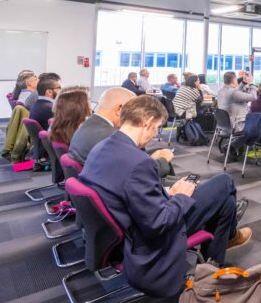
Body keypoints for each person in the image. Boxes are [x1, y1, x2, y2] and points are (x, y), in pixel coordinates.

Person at [78, 96, 252, 298]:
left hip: (126, 229)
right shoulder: (139, 163)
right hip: (152, 239)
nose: (155, 134)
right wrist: (181, 196)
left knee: (225, 202)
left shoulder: (102, 147)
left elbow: (130, 193)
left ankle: (215, 260)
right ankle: (220, 252)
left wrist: (168, 192)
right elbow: (159, 223)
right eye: (157, 127)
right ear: (148, 121)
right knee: (224, 183)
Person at [69, 88, 175, 180]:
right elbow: (138, 175)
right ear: (120, 109)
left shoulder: (87, 124)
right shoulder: (111, 138)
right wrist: (162, 161)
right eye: (134, 110)